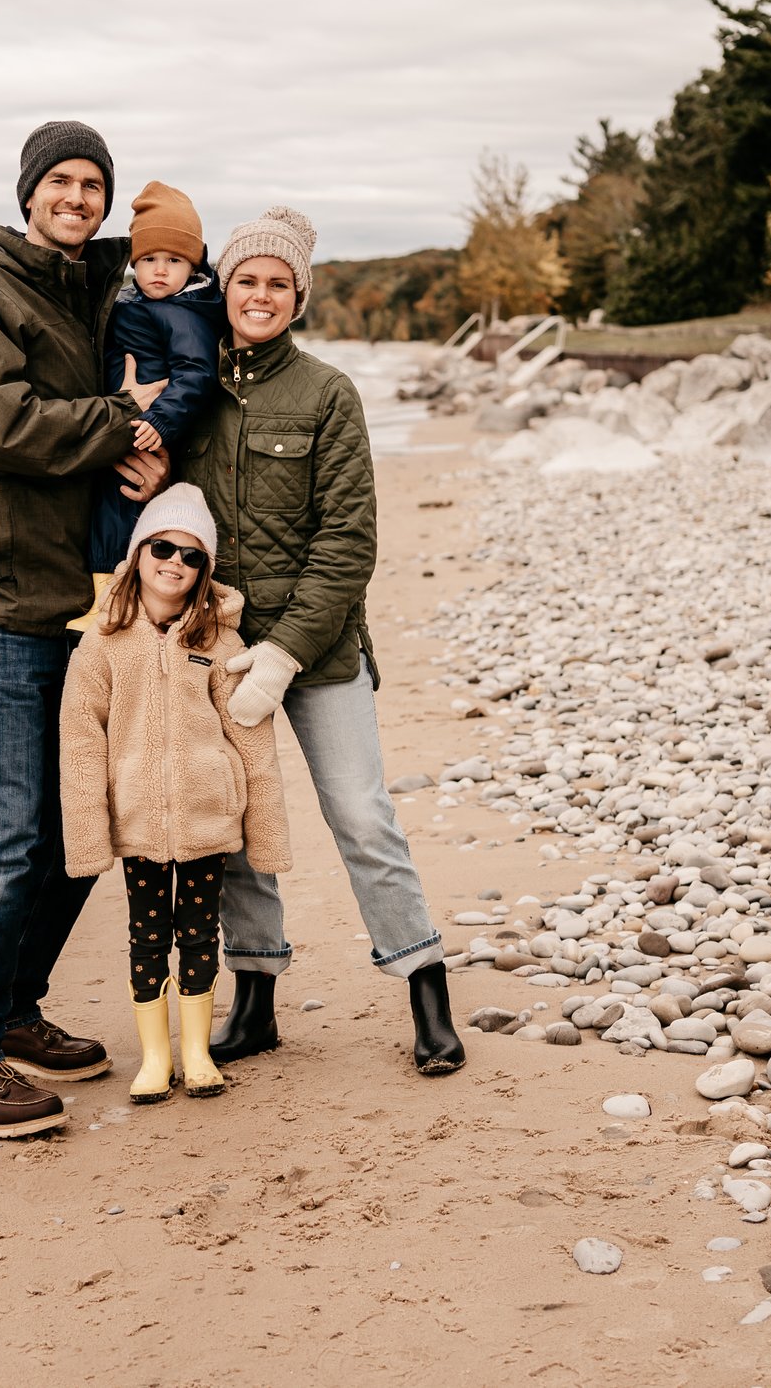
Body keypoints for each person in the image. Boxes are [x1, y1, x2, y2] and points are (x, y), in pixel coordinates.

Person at [0, 119, 169, 1139]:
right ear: (27, 192)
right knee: (3, 831)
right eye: (59, 181)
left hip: (72, 590)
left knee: (74, 832)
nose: (76, 196)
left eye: (91, 183)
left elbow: (171, 281)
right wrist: (118, 421)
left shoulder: (83, 285)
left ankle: (14, 1009)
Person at [180, 205, 465, 1076]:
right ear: (222, 289)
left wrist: (286, 650)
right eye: (245, 279)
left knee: (360, 814)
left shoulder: (327, 393)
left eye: (277, 283)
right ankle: (255, 997)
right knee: (233, 826)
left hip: (321, 651)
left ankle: (425, 984)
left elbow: (349, 542)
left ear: (297, 298)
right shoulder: (190, 389)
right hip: (217, 650)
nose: (259, 294)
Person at [59, 483, 290, 1105]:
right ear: (138, 553)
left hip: (207, 819)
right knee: (147, 934)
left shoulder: (220, 643)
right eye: (163, 547)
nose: (175, 564)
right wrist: (88, 837)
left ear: (205, 570)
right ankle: (155, 1056)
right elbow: (81, 745)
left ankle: (196, 1051)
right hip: (137, 819)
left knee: (199, 933)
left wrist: (266, 833)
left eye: (192, 557)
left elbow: (252, 741)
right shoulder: (101, 643)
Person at [84, 183, 224, 583]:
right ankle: (104, 589)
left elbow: (196, 373)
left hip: (146, 427)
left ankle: (109, 588)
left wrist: (159, 419)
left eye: (173, 259)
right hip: (123, 419)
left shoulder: (183, 313)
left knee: (123, 508)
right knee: (107, 509)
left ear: (192, 266)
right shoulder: (138, 301)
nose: (159, 269)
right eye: (148, 258)